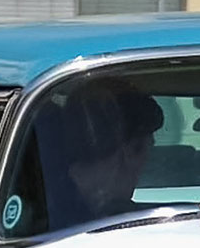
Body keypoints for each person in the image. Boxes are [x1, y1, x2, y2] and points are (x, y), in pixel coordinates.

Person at [42, 82, 163, 226]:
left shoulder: (39, 210)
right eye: (148, 151)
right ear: (132, 150)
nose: (144, 165)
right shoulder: (48, 217)